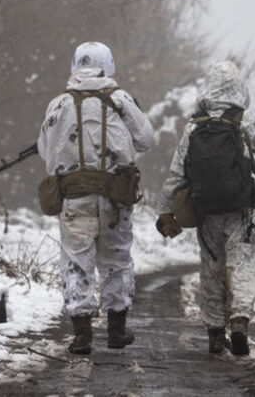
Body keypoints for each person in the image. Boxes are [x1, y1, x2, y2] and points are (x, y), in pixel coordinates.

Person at [154, 60, 255, 356]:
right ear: (238, 87)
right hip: (242, 208)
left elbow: (177, 174)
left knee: (212, 268)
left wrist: (165, 210)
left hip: (206, 210)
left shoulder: (194, 127)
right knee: (241, 262)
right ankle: (239, 321)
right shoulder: (245, 121)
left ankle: (215, 333)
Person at [37, 42, 155, 354]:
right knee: (116, 261)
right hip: (116, 198)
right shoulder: (120, 100)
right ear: (109, 64)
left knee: (77, 262)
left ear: (74, 64)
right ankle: (116, 331)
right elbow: (146, 139)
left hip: (75, 197)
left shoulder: (58, 104)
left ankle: (82, 335)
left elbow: (44, 151)